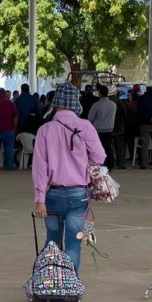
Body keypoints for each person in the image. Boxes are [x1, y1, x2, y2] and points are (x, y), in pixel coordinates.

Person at [32, 83, 106, 274]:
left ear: (56, 103)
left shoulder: (45, 130)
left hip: (51, 196)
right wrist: (83, 164)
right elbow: (100, 156)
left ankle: (52, 283)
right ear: (76, 103)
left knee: (52, 241)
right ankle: (71, 285)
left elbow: (40, 168)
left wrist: (40, 199)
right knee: (74, 242)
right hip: (79, 194)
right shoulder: (85, 126)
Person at [0, 87, 19, 171]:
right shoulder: (10, 103)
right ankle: (10, 166)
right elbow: (15, 116)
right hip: (8, 130)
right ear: (5, 94)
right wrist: (14, 128)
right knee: (9, 149)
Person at [87, 85, 116, 169]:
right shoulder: (113, 105)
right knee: (108, 147)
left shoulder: (96, 105)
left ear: (99, 93)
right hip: (110, 129)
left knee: (100, 148)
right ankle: (110, 164)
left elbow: (90, 118)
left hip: (98, 130)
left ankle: (102, 164)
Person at [108, 85, 126, 170]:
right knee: (119, 147)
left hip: (107, 127)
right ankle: (121, 164)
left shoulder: (106, 101)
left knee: (108, 146)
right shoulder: (119, 102)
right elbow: (124, 113)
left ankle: (110, 163)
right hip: (118, 127)